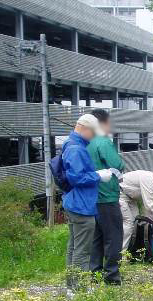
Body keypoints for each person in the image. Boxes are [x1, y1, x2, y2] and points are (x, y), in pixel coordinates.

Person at [63, 114, 113, 287]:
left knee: (74, 246)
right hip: (82, 205)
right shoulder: (76, 149)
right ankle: (78, 288)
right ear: (84, 128)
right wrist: (98, 176)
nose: (93, 137)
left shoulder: (70, 144)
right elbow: (77, 178)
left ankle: (71, 285)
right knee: (82, 250)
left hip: (73, 202)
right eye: (92, 132)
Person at [88, 109, 124, 285]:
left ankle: (94, 273)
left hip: (91, 198)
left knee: (96, 238)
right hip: (107, 196)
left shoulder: (86, 143)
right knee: (113, 237)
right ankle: (112, 276)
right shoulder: (103, 142)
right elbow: (117, 164)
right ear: (103, 123)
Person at [119, 169, 153, 250]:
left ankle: (132, 249)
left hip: (130, 197)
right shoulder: (149, 179)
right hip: (119, 193)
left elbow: (148, 206)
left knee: (136, 221)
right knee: (128, 222)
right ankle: (122, 254)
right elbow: (149, 205)